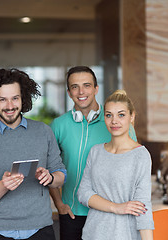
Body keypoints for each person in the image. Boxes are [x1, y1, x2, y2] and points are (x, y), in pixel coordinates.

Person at [0, 68, 67, 240]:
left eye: (15, 98)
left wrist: (50, 178)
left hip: (41, 230)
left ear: (23, 98)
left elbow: (61, 174)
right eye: (3, 100)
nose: (10, 106)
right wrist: (3, 185)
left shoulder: (43, 132)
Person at [49, 66, 137, 240]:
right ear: (68, 92)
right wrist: (59, 204)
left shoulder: (116, 121)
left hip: (110, 213)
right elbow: (48, 169)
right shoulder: (58, 126)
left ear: (96, 89)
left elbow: (133, 168)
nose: (81, 91)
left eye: (87, 85)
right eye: (75, 87)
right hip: (72, 214)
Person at [77, 90, 154, 239]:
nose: (114, 121)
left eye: (121, 115)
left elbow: (143, 207)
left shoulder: (140, 155)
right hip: (92, 234)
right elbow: (83, 193)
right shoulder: (95, 152)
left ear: (132, 117)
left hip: (124, 235)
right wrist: (117, 207)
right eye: (108, 115)